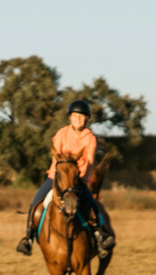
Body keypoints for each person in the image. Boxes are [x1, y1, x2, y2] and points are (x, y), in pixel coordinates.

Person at [14, 100, 116, 258]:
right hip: (56, 177)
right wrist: (59, 176)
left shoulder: (90, 138)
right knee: (35, 203)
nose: (78, 119)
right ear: (70, 117)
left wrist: (83, 178)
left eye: (81, 117)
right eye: (75, 116)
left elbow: (89, 161)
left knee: (93, 205)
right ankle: (28, 239)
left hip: (78, 179)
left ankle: (101, 235)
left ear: (86, 119)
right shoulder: (61, 133)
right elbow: (56, 156)